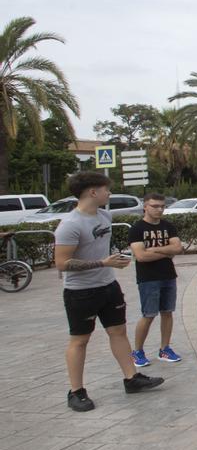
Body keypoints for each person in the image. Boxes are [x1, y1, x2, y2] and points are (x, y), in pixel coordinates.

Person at [55, 171, 164, 411]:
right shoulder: (70, 225)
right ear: (93, 192)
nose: (109, 193)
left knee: (118, 331)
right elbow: (62, 263)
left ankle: (131, 378)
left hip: (108, 287)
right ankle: (76, 391)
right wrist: (103, 263)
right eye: (106, 189)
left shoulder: (103, 215)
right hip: (81, 292)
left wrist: (113, 261)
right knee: (80, 340)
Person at [129, 193, 183, 366]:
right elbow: (141, 256)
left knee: (167, 312)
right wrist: (166, 251)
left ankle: (165, 348)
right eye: (155, 206)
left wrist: (153, 250)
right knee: (149, 314)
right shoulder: (137, 228)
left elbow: (178, 248)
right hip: (148, 278)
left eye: (162, 206)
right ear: (145, 206)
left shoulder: (168, 226)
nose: (159, 209)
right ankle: (137, 351)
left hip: (168, 275)